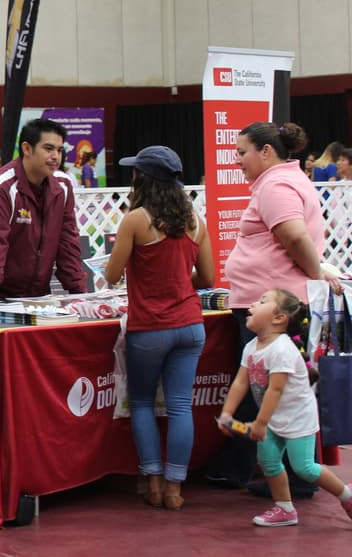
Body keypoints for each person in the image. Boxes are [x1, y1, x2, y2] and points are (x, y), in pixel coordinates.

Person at [208, 121, 342, 496]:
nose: (238, 160)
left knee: (270, 391)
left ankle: (291, 476)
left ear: (266, 151)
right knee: (276, 389)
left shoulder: (276, 186)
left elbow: (294, 236)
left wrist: (315, 272)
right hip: (273, 302)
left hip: (273, 305)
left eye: (242, 152)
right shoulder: (284, 181)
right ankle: (280, 472)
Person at [103, 146, 214, 510]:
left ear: (143, 179)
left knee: (141, 403)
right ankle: (175, 489)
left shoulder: (136, 220)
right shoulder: (196, 221)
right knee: (181, 406)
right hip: (190, 325)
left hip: (149, 326)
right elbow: (208, 279)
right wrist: (178, 278)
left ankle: (152, 483)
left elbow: (111, 275)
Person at [218, 288, 352, 526]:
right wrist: (227, 413)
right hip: (271, 417)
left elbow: (275, 390)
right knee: (269, 462)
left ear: (279, 318)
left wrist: (260, 424)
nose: (253, 304)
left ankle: (347, 496)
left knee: (305, 468)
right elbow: (240, 382)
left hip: (296, 417)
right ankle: (285, 508)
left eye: (262, 301)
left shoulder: (281, 349)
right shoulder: (252, 347)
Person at [0, 118, 86, 300]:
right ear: (27, 148)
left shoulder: (63, 186)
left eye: (60, 150)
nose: (56, 157)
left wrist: (80, 297)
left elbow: (68, 244)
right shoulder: (0, 186)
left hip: (33, 294)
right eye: (48, 149)